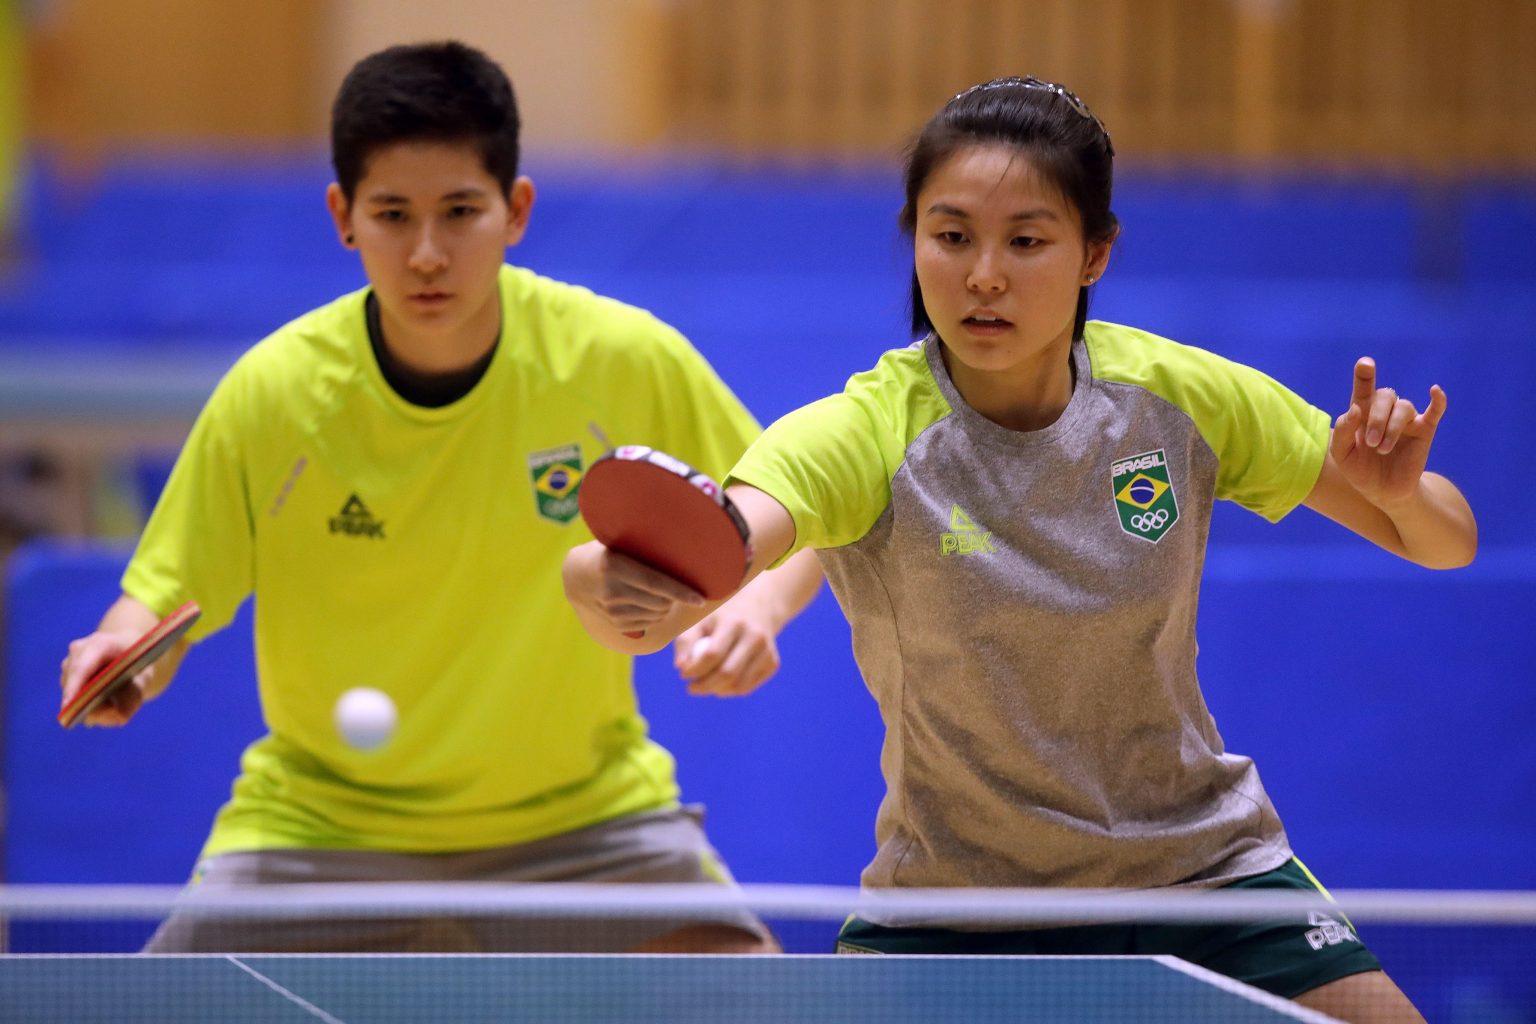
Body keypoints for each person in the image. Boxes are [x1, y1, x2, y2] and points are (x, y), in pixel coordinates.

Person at [563, 76, 1475, 1020]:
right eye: (950, 235)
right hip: (957, 906)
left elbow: (1445, 544)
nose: (983, 274)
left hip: (1203, 875)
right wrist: (607, 577)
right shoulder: (864, 429)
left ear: (1095, 254)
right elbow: (723, 542)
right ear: (914, 237)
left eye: (1026, 240)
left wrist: (1399, 494)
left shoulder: (1183, 399)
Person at [56, 40, 822, 954]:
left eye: (461, 211)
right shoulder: (275, 394)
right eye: (393, 214)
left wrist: (760, 610)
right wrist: (123, 651)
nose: (427, 252)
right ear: (344, 217)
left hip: (585, 828)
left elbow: (802, 505)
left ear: (516, 210)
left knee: (759, 1000)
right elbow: (171, 588)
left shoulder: (616, 360)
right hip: (319, 831)